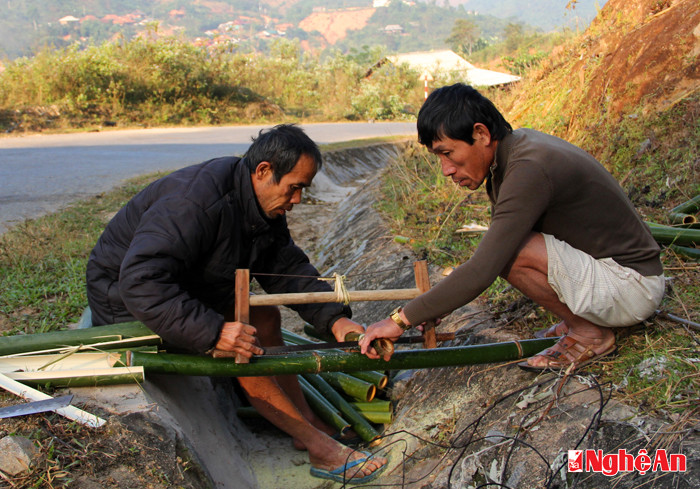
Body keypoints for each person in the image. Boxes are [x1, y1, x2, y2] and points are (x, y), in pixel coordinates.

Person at [85, 124, 386, 483]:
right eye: (295, 188)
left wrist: (334, 319)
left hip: (187, 289)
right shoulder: (194, 203)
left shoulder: (257, 201)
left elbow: (286, 265)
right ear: (263, 172)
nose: (297, 200)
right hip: (128, 302)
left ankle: (304, 424)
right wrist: (213, 332)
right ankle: (321, 448)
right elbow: (140, 281)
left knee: (266, 317)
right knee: (243, 339)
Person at [359, 84, 665, 371]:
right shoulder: (513, 153)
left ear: (480, 133)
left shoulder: (528, 168)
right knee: (505, 249)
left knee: (511, 253)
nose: (447, 170)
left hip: (631, 287)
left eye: (448, 153)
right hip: (612, 275)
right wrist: (435, 306)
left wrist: (399, 321)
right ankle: (581, 321)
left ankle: (590, 333)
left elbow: (484, 267)